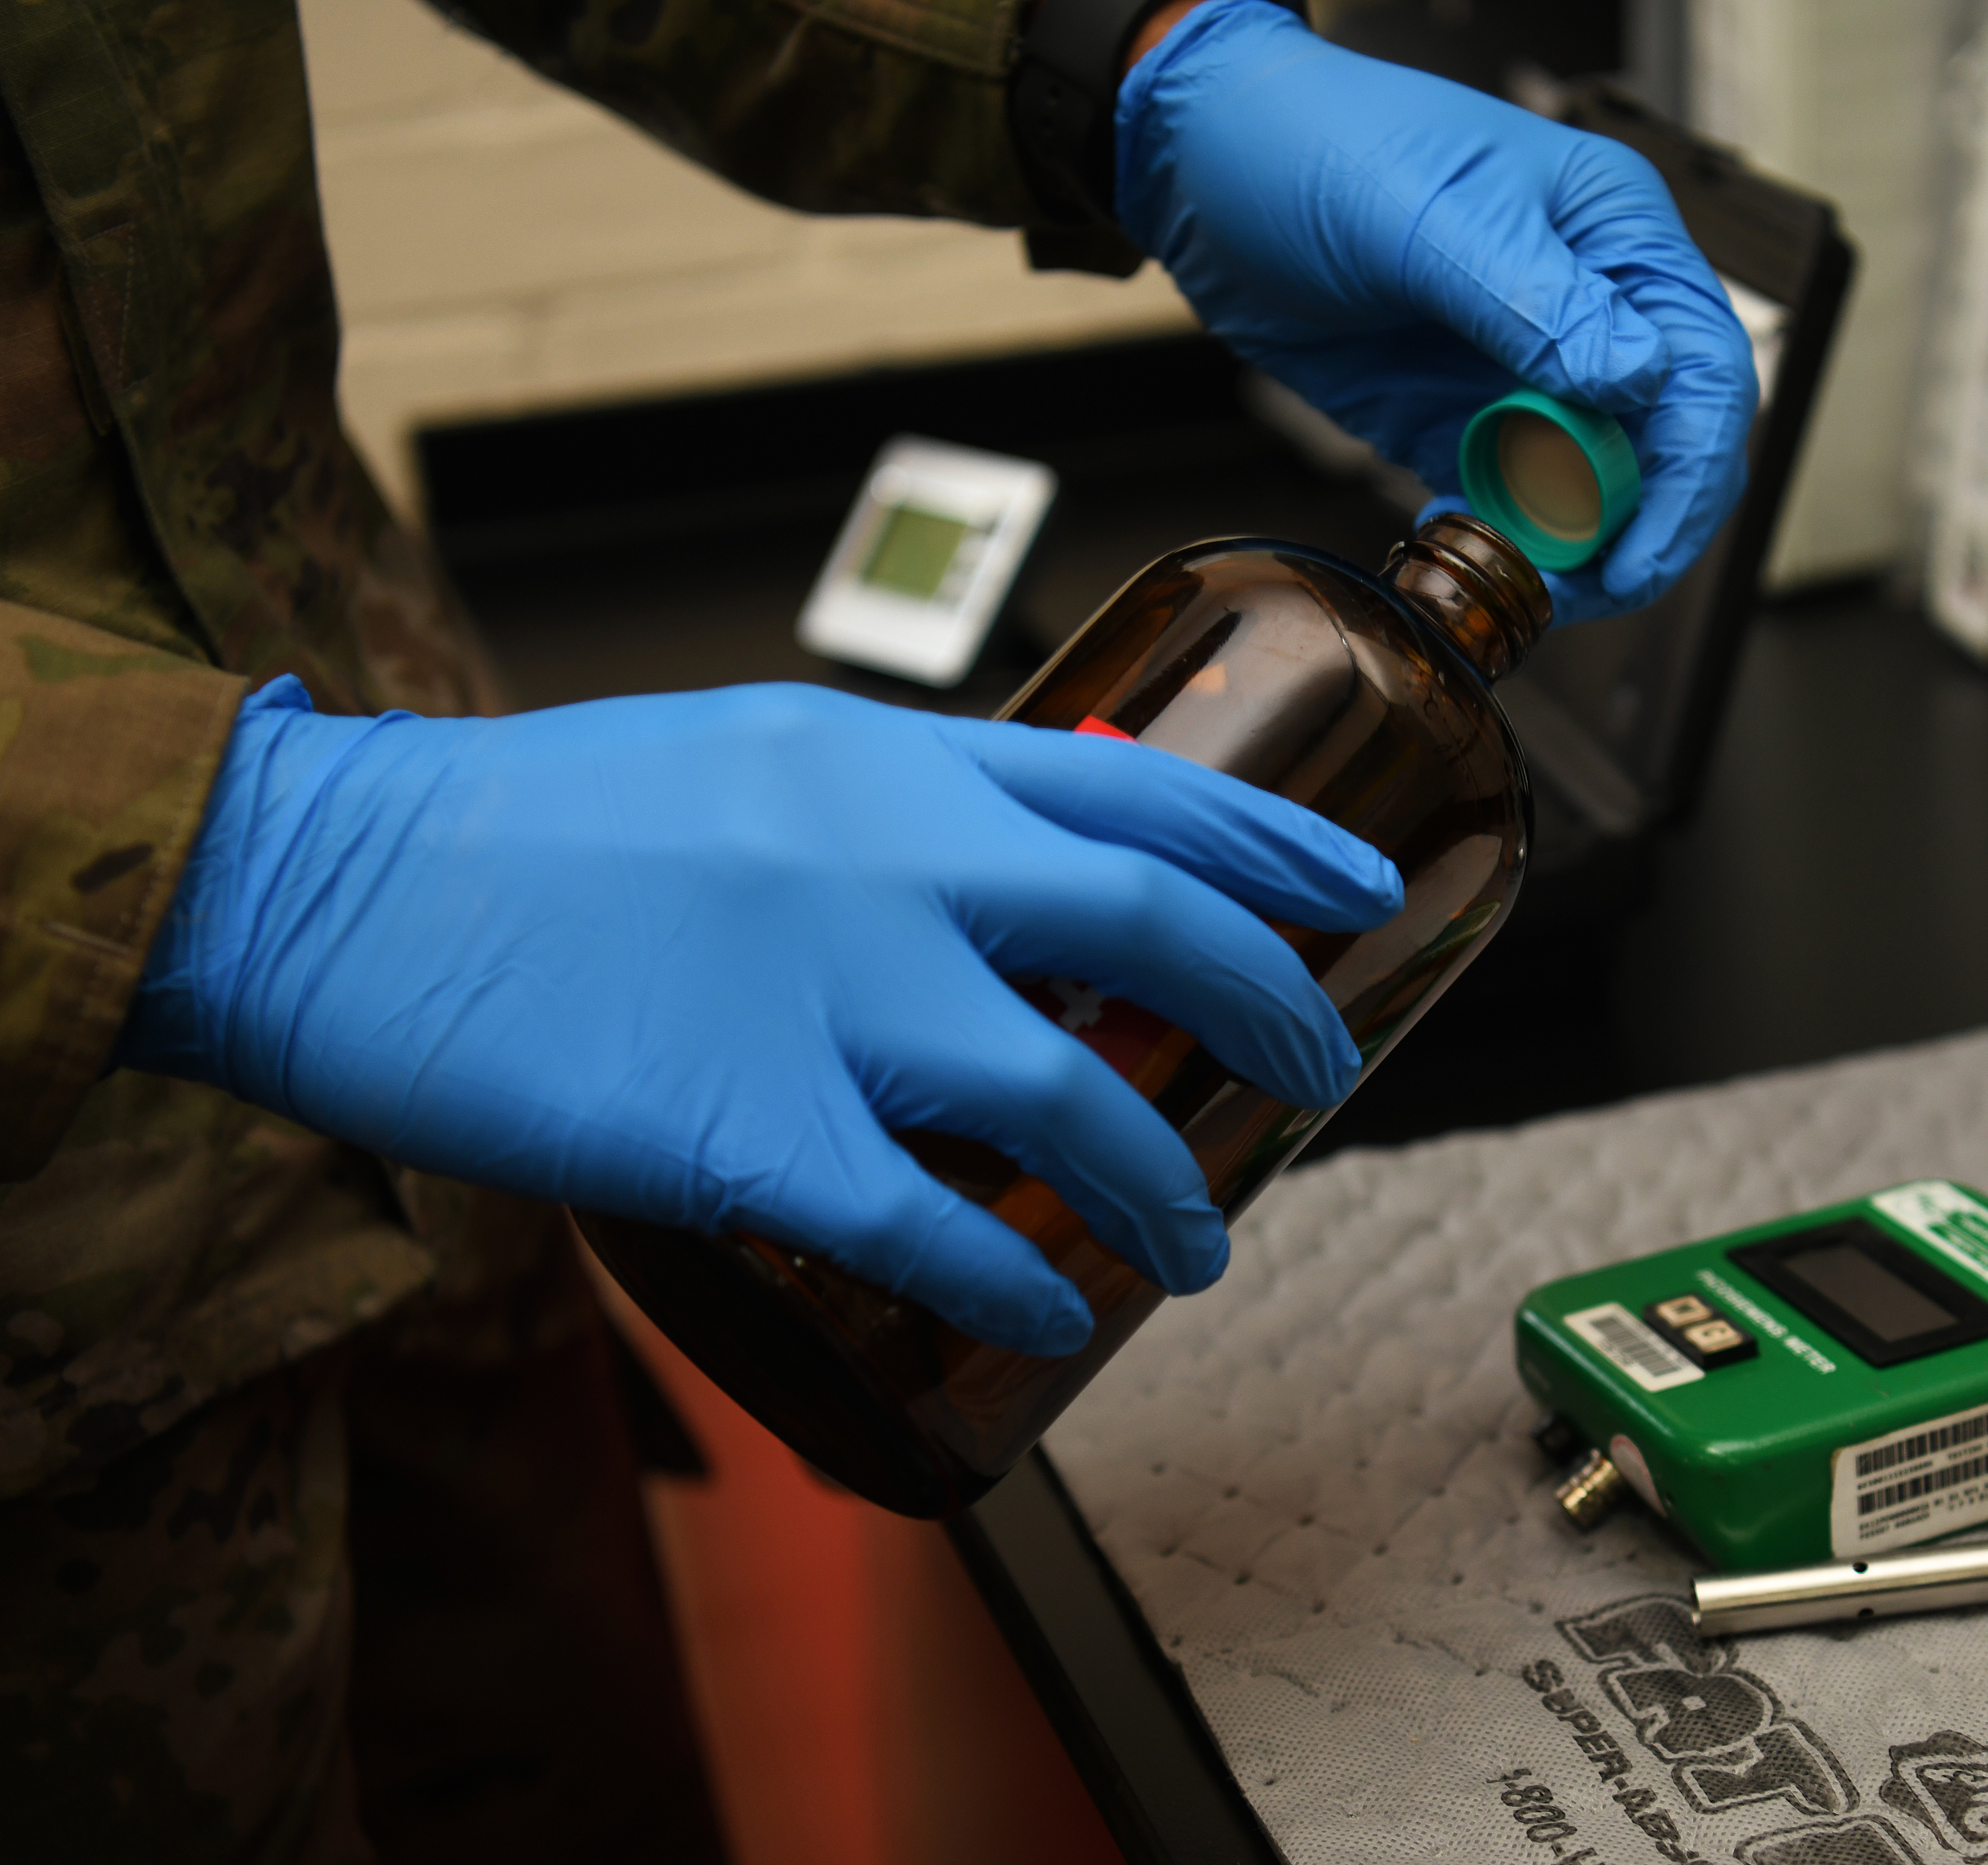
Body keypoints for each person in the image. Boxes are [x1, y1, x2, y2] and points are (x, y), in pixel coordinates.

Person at [0, 0, 1756, 1857]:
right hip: (63, 1339)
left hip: (500, 1067)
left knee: (573, 1772)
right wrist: (239, 857)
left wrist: (1107, 61)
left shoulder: (1323, 655)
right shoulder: (1267, 609)